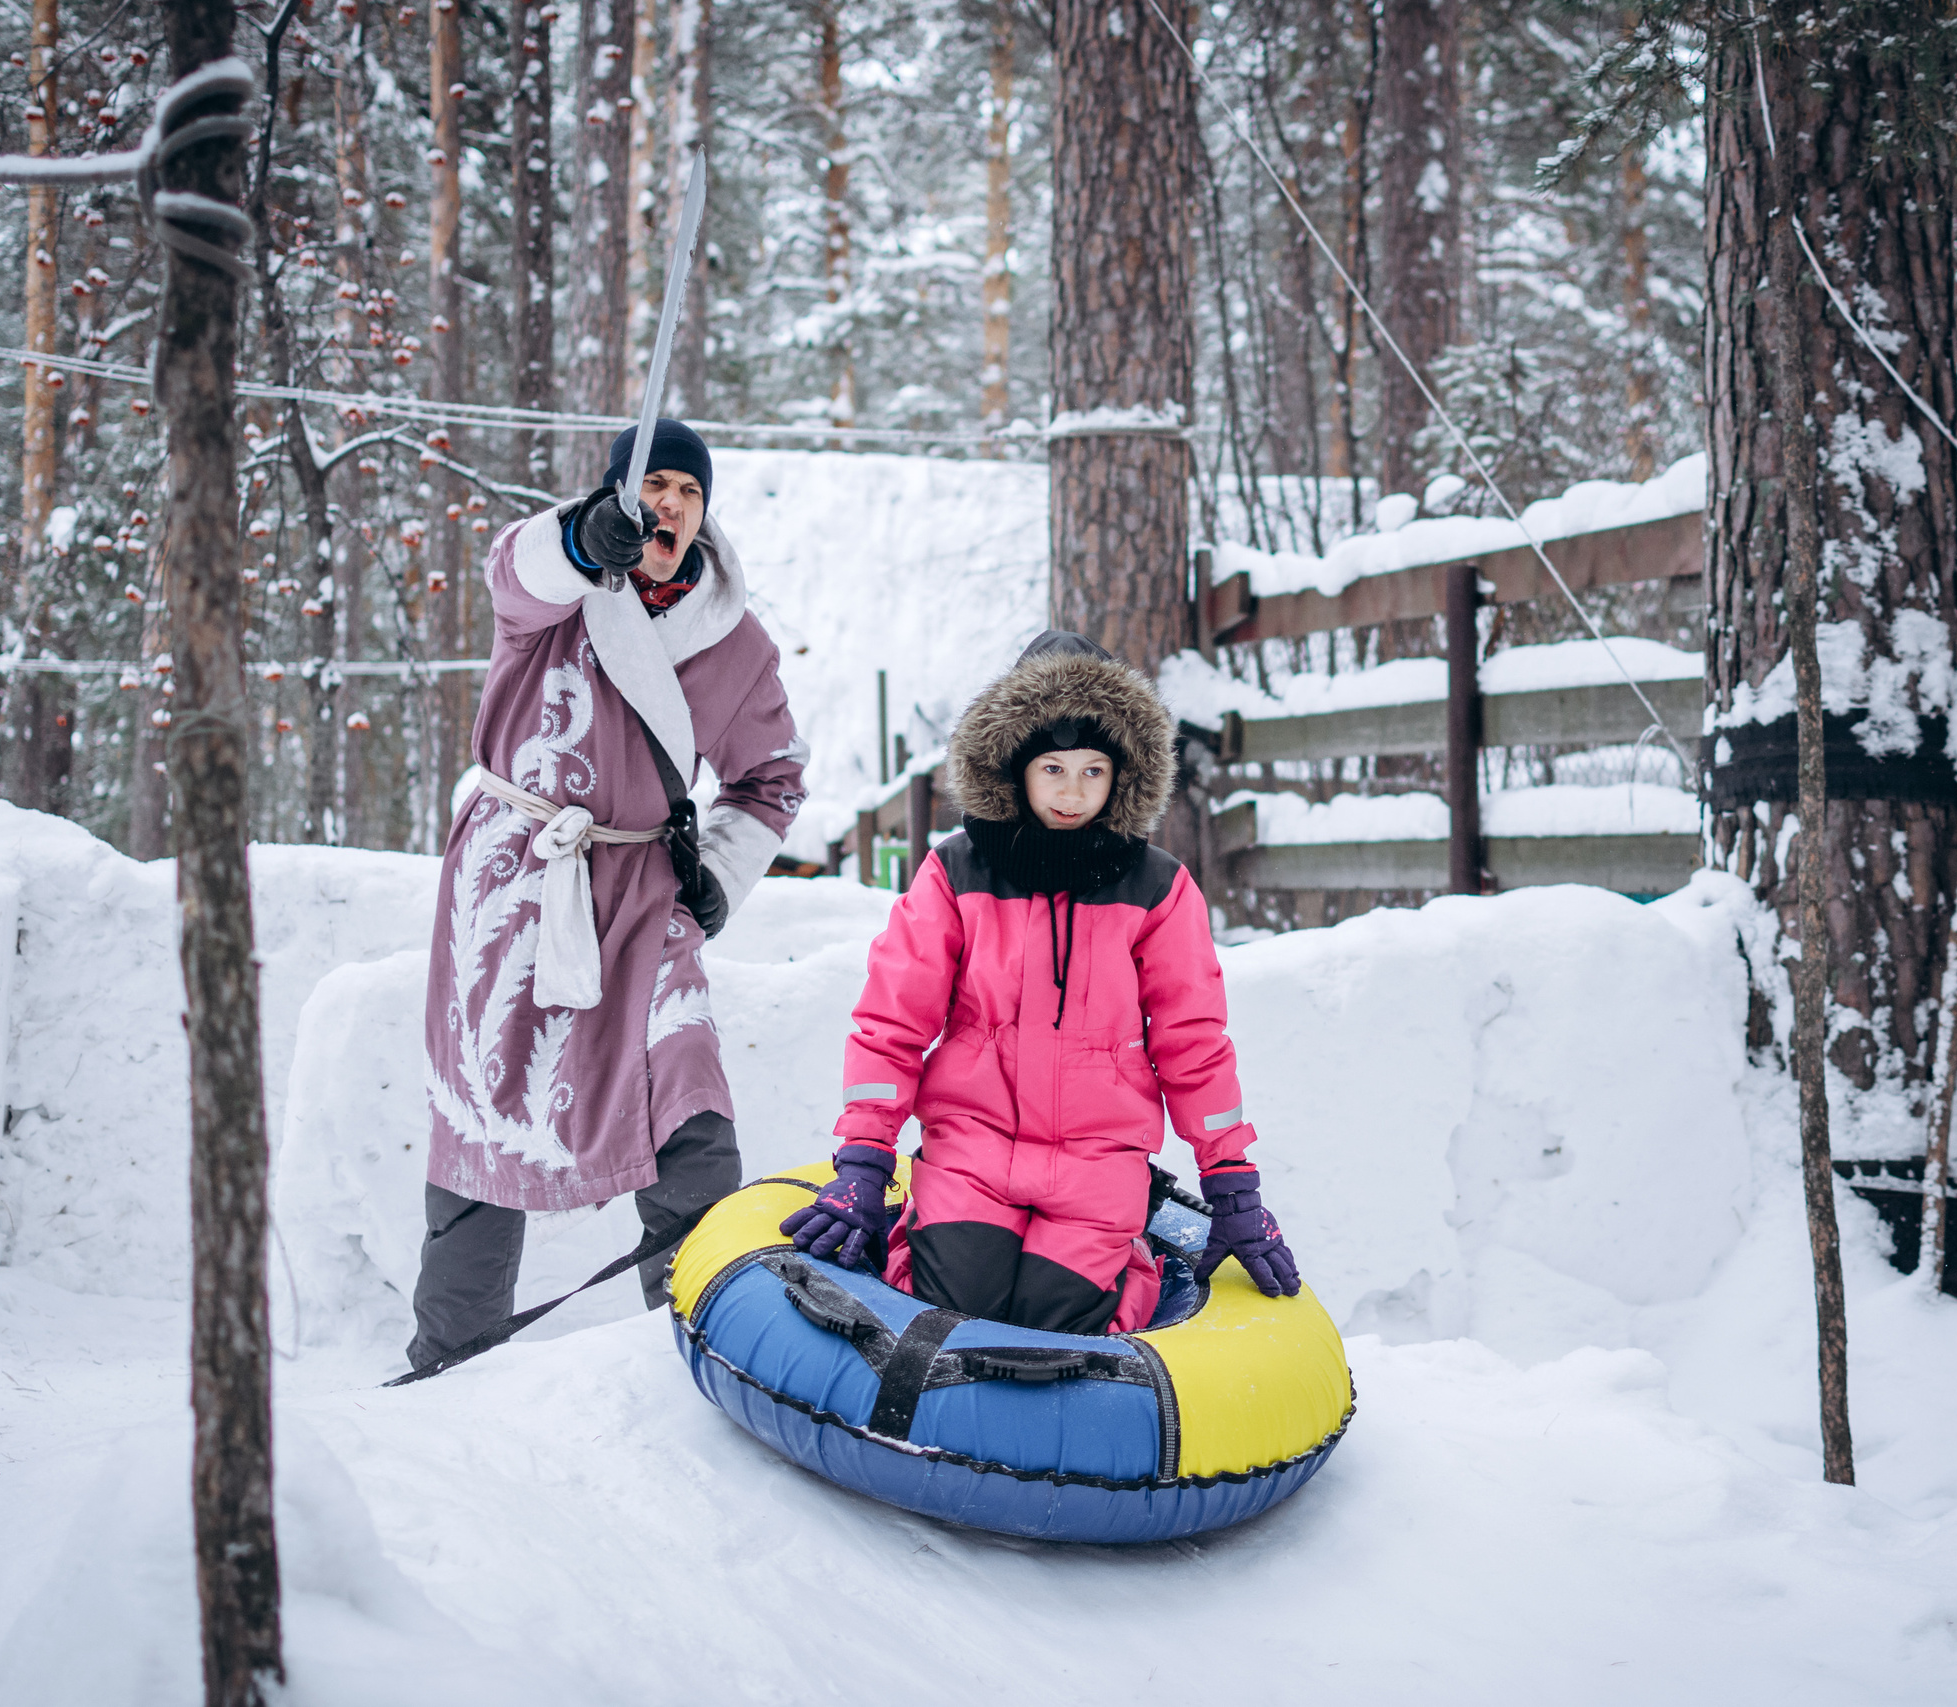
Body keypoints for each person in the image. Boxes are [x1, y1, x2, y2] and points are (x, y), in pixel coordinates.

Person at [408, 419, 807, 1369]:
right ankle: (448, 1359)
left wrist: (716, 874)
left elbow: (773, 776)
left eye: (689, 491)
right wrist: (584, 540)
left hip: (640, 895)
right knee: (485, 1114)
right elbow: (518, 567)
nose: (669, 503)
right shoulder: (552, 589)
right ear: (618, 496)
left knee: (688, 1105)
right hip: (509, 887)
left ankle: (709, 1340)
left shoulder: (734, 639)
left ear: (704, 517)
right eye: (651, 485)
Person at [780, 631, 1299, 1335]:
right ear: (1014, 765)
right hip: (972, 1146)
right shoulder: (957, 872)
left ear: (1123, 774)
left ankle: (1131, 1257)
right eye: (1052, 767)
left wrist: (1231, 1176)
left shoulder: (1158, 888)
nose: (1071, 791)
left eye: (1093, 770)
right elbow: (892, 1021)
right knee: (958, 1299)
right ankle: (911, 1236)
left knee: (1058, 1315)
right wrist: (865, 1159)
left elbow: (1193, 1040)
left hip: (1097, 1159)